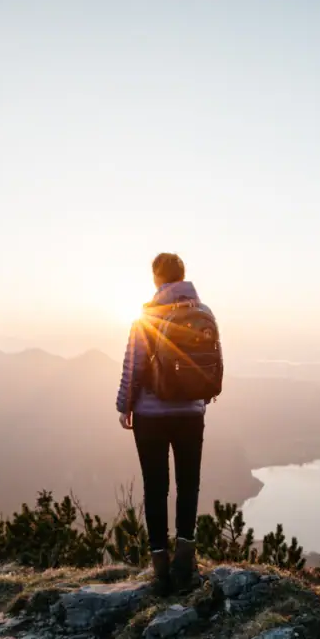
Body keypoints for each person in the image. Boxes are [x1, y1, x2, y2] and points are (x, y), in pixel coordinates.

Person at [115, 252, 222, 595]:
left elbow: (132, 366)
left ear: (156, 279)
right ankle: (185, 564)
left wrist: (124, 406)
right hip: (191, 414)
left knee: (156, 488)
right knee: (189, 485)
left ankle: (160, 570)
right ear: (183, 276)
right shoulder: (204, 313)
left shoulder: (146, 318)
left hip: (151, 416)